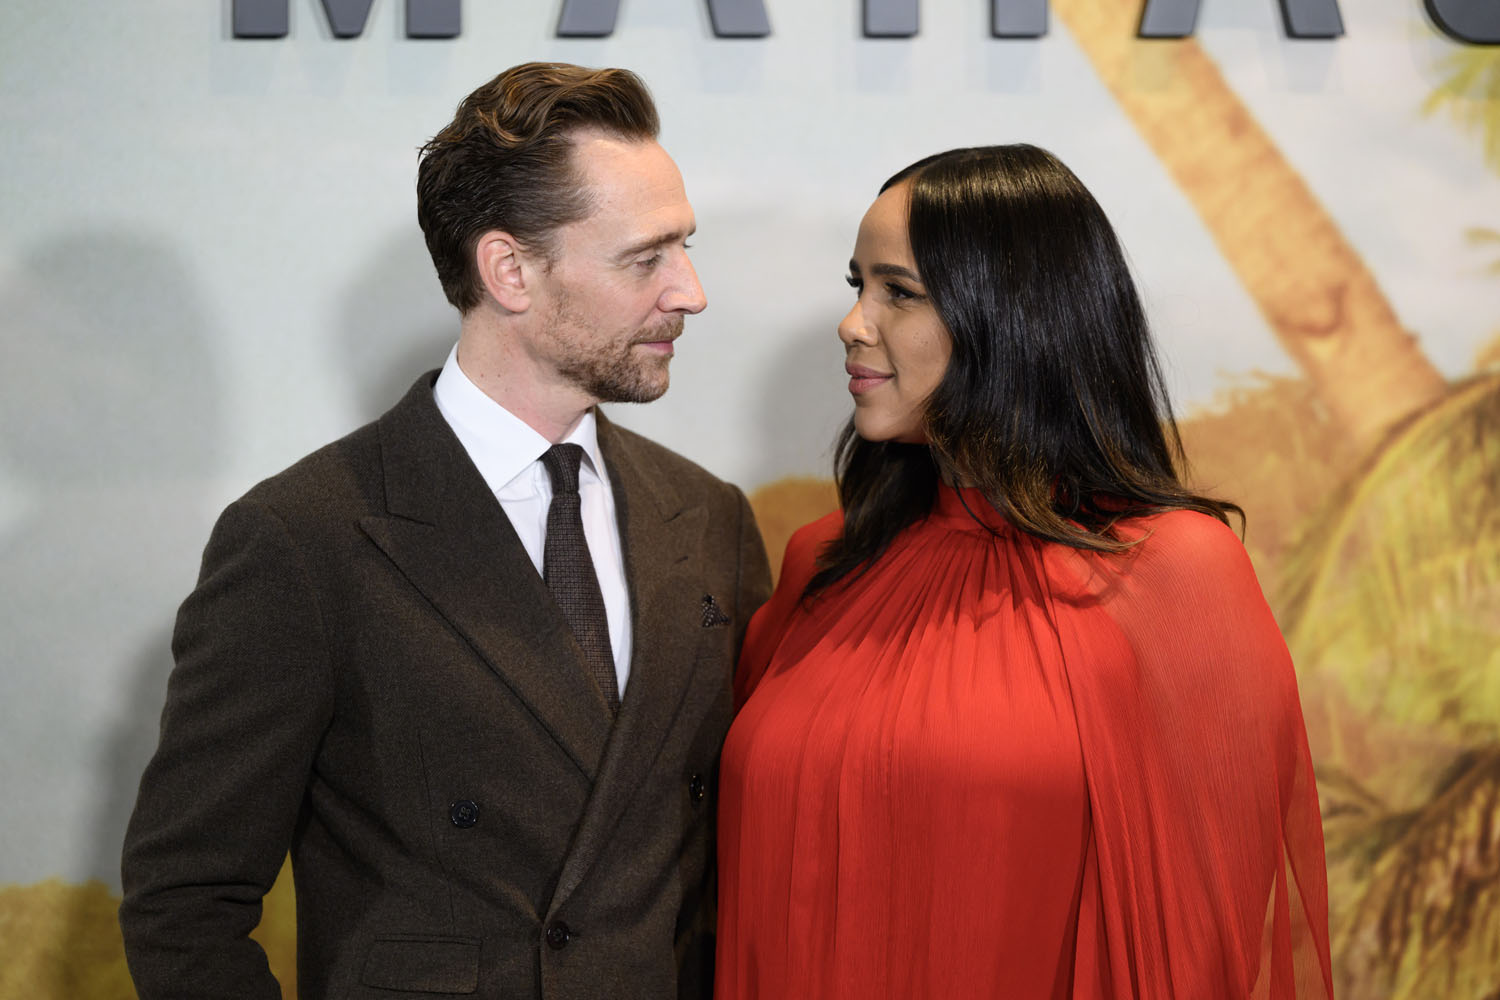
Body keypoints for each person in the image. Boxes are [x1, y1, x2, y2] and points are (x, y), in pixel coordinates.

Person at [120, 62, 771, 1000]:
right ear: (510, 271)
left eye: (686, 248)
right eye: (646, 259)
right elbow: (184, 904)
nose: (691, 292)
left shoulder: (708, 518)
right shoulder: (303, 538)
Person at [714, 144, 1334, 999]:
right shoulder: (823, 561)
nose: (853, 323)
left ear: (1014, 315)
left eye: (899, 291)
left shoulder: (1174, 571)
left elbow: (1196, 943)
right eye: (857, 285)